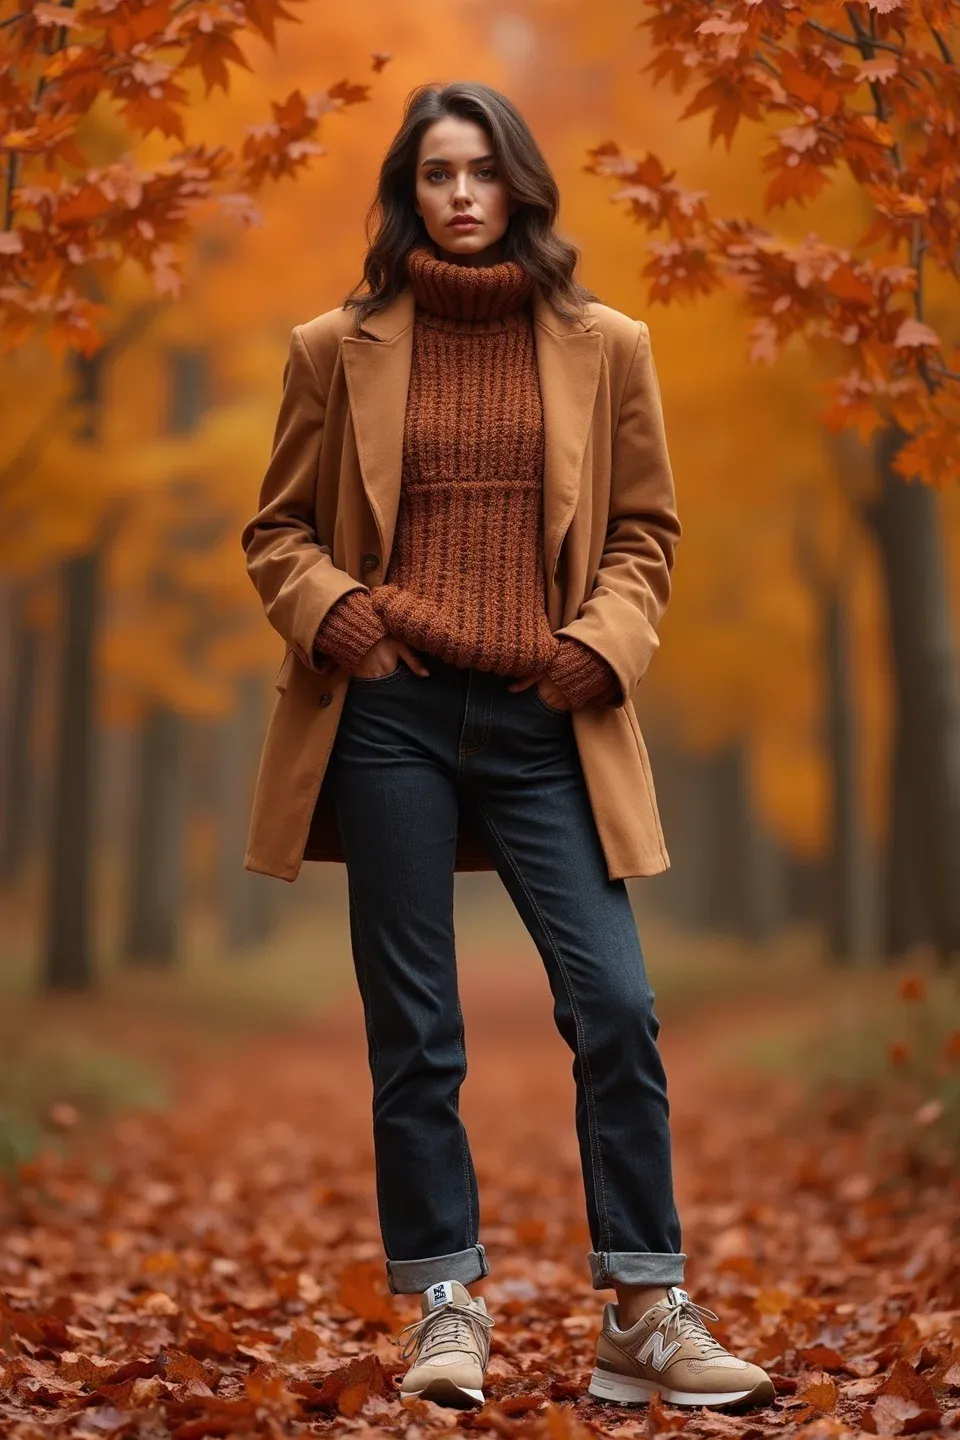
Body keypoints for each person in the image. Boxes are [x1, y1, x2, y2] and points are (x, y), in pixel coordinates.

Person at [242, 80, 775, 1415]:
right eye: (436, 173)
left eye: (483, 170)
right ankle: (445, 1305)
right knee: (416, 1030)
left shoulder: (609, 346)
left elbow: (647, 532)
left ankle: (645, 1313)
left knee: (616, 1004)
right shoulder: (334, 347)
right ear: (406, 192)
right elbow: (277, 533)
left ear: (520, 184)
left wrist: (600, 645)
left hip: (550, 716)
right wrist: (341, 617)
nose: (463, 194)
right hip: (391, 720)